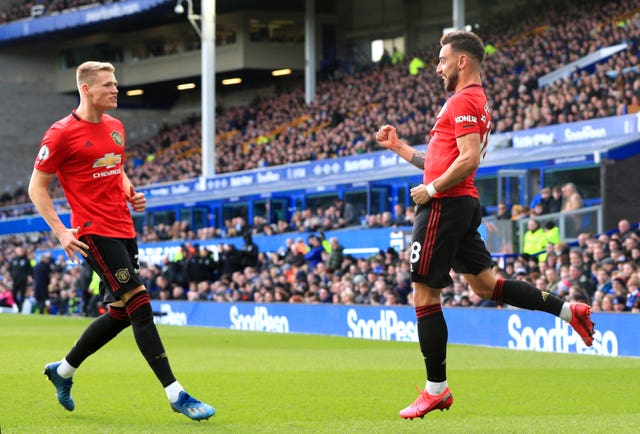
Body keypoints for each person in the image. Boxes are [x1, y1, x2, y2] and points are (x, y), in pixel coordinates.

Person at [375, 31, 594, 421]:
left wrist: (430, 189)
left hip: (445, 205)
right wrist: (400, 148)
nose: (438, 68)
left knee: (424, 294)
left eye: (442, 60)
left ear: (462, 61)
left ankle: (435, 390)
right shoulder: (472, 101)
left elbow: (469, 158)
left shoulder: (463, 100)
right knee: (484, 285)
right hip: (461, 202)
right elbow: (442, 161)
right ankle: (567, 311)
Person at [28, 61, 214, 421]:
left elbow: (115, 166)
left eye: (115, 83)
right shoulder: (61, 134)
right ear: (87, 90)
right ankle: (176, 393)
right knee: (140, 304)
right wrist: (62, 231)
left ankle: (62, 371)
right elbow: (37, 187)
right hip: (93, 231)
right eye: (108, 84)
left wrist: (130, 190)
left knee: (121, 314)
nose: (116, 89)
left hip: (124, 228)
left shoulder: (115, 127)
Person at [9, 245, 32, 311]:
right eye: (19, 250)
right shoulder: (14, 259)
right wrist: (11, 275)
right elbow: (10, 268)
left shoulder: (26, 260)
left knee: (22, 294)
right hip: (15, 280)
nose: (20, 252)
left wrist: (29, 276)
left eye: (21, 250)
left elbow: (30, 270)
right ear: (16, 251)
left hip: (23, 280)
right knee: (13, 294)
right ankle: (17, 304)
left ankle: (20, 308)